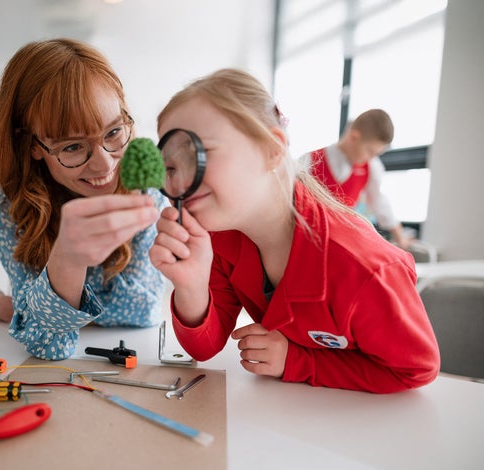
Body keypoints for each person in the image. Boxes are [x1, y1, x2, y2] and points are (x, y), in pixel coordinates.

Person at [149, 68, 439, 393]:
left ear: (271, 150)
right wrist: (191, 286)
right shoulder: (220, 236)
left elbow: (415, 369)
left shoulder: (365, 268)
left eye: (201, 154)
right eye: (171, 167)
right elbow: (204, 347)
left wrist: (298, 361)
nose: (184, 181)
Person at [0, 38, 166, 360]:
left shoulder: (146, 192)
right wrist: (67, 261)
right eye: (73, 147)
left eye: (114, 132)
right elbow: (49, 345)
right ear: (32, 145)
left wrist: (16, 309)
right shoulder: (6, 203)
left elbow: (143, 311)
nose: (105, 165)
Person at [300, 109, 412, 249]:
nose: (371, 158)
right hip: (310, 240)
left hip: (343, 242)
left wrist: (399, 236)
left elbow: (379, 201)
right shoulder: (309, 161)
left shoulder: (371, 167)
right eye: (370, 151)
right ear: (354, 137)